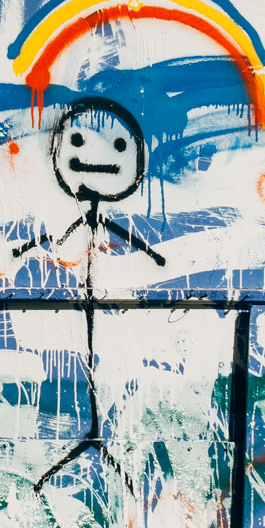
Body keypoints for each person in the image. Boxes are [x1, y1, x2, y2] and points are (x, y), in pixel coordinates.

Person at [13, 96, 165, 490]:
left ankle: (97, 428)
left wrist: (148, 252)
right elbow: (65, 238)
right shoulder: (79, 220)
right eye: (78, 142)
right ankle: (93, 428)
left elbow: (98, 235)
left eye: (118, 147)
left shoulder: (97, 217)